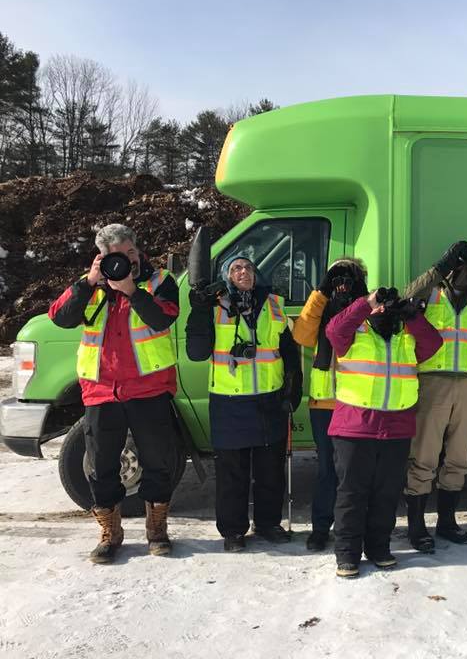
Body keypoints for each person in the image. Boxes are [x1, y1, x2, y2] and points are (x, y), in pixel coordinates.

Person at [48, 224, 180, 563]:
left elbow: (162, 319)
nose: (125, 259)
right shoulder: (91, 283)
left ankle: (157, 530)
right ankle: (110, 533)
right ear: (102, 257)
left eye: (129, 252)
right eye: (115, 255)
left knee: (159, 461)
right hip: (102, 391)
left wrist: (132, 290)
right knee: (101, 466)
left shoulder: (159, 280)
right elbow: (60, 318)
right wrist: (89, 282)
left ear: (137, 249)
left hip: (148, 388)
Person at [186, 255, 302, 552]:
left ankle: (268, 523)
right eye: (236, 268)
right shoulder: (213, 306)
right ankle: (233, 531)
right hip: (229, 402)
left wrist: (293, 389)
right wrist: (198, 310)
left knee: (269, 471)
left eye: (248, 267)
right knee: (231, 473)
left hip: (269, 400)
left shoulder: (274, 305)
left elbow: (290, 353)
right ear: (226, 276)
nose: (243, 272)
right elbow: (197, 352)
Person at [325, 287, 442, 578]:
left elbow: (433, 343)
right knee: (352, 493)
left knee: (386, 494)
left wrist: (411, 315)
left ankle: (379, 547)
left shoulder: (406, 337)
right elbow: (333, 329)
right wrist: (367, 302)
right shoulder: (354, 334)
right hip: (355, 426)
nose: (383, 310)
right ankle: (347, 554)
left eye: (386, 307)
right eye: (379, 306)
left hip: (396, 428)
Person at [402, 240, 467, 552]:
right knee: (425, 456)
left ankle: (447, 522)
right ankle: (416, 526)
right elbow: (406, 297)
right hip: (433, 381)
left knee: (459, 457)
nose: (463, 272)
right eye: (458, 266)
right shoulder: (433, 293)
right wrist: (439, 267)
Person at [292, 258, 369, 552]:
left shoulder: (366, 305)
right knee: (327, 469)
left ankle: (351, 527)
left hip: (357, 401)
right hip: (324, 402)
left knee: (354, 470)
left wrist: (361, 294)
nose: (343, 282)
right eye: (338, 275)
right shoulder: (321, 308)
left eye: (350, 275)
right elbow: (301, 335)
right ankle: (320, 528)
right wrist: (321, 292)